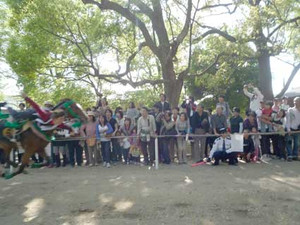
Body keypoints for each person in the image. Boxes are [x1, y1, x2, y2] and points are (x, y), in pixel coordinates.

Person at [285, 97, 300, 161]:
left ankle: (295, 155)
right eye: (294, 101)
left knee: (297, 143)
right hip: (291, 129)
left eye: (297, 101)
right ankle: (289, 155)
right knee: (289, 142)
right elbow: (288, 120)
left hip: (298, 129)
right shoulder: (290, 110)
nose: (295, 102)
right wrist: (288, 129)